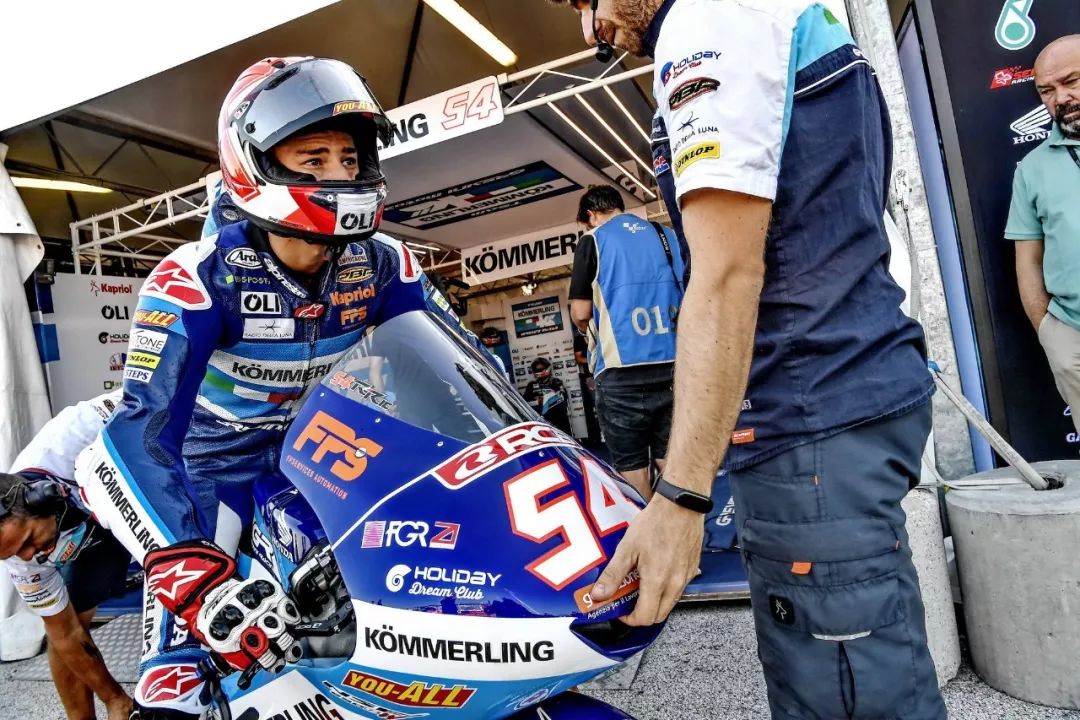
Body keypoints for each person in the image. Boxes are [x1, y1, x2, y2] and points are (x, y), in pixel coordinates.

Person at [549, 1, 946, 717]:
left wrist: (680, 500)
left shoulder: (706, 21)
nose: (590, 28)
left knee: (844, 696)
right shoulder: (780, 15)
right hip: (843, 391)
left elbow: (727, 273)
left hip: (809, 412)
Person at [75, 57, 489, 720]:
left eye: (349, 158)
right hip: (212, 474)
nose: (340, 176)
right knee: (173, 688)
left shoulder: (387, 262)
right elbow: (140, 430)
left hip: (326, 458)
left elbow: (461, 377)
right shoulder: (195, 277)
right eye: (313, 159)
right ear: (256, 163)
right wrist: (190, 573)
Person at [0, 391, 132, 720]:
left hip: (144, 483)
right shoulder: (20, 558)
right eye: (15, 554)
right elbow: (65, 633)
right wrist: (115, 698)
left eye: (28, 540)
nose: (29, 556)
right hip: (91, 531)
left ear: (39, 498)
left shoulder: (78, 430)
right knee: (69, 619)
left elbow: (159, 401)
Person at [568, 184, 684, 500]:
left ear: (591, 215)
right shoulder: (665, 235)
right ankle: (684, 525)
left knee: (633, 471)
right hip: (674, 366)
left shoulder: (592, 240)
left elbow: (581, 312)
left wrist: (588, 329)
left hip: (619, 374)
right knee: (674, 463)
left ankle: (648, 527)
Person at [1007, 34, 1080, 439]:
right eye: (1047, 91)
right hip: (1074, 337)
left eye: (1072, 81)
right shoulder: (1031, 169)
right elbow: (1028, 261)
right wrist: (1050, 333)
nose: (1061, 98)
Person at [523, 356, 573, 434]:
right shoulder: (531, 385)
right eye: (536, 370)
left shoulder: (556, 382)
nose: (539, 372)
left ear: (547, 368)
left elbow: (562, 398)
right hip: (540, 422)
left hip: (557, 420)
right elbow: (525, 403)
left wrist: (547, 398)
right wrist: (537, 401)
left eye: (541, 369)